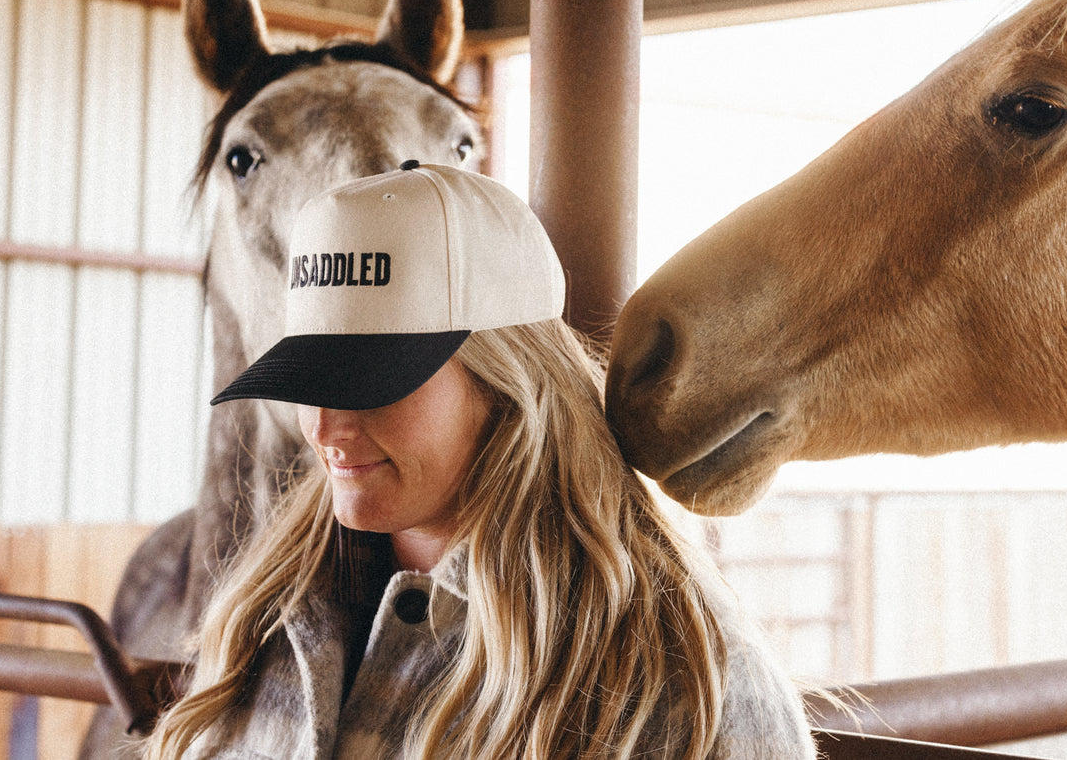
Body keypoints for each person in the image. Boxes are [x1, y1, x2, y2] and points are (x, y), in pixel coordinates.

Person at [142, 161, 815, 760]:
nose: (325, 426)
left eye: (370, 380)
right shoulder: (267, 617)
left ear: (508, 384)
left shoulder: (679, 677)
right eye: (308, 380)